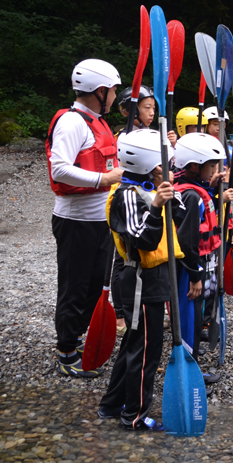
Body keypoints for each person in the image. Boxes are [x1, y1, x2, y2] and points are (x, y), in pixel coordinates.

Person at [98, 129, 182, 430]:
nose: (169, 167)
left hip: (153, 279)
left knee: (135, 345)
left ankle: (111, 405)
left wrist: (165, 196)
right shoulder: (127, 195)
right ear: (153, 165)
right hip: (141, 282)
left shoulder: (148, 187)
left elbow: (182, 218)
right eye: (165, 162)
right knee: (146, 349)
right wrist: (158, 206)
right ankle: (134, 415)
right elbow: (145, 239)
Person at [46, 59, 122, 377]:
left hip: (99, 222)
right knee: (74, 287)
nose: (117, 97)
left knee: (95, 286)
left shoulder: (97, 121)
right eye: (114, 91)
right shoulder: (72, 122)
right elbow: (59, 168)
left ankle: (78, 340)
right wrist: (102, 181)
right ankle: (67, 352)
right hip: (75, 222)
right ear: (100, 91)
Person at [173, 133, 233, 363]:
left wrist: (214, 189)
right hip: (190, 271)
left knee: (197, 315)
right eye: (211, 165)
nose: (215, 169)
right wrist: (194, 276)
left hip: (198, 266)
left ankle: (192, 358)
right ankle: (187, 366)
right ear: (193, 166)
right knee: (189, 317)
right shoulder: (191, 196)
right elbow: (187, 241)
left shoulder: (196, 190)